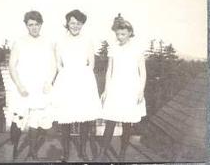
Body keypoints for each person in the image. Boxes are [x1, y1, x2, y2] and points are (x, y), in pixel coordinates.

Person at [52, 9, 102, 161]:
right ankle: (66, 152)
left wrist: (82, 76)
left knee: (84, 117)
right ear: (67, 23)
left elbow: (91, 63)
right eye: (72, 23)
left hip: (84, 80)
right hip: (66, 80)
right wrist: (66, 75)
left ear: (82, 24)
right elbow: (58, 63)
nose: (75, 26)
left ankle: (82, 150)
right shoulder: (60, 40)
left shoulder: (87, 40)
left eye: (78, 23)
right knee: (66, 117)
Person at [8, 10, 56, 160]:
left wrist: (49, 81)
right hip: (24, 86)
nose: (34, 27)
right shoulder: (19, 42)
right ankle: (13, 150)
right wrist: (19, 85)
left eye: (36, 24)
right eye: (30, 25)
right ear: (26, 26)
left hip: (40, 86)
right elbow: (12, 66)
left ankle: (33, 151)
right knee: (19, 119)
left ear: (41, 24)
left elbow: (53, 65)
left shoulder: (48, 42)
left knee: (35, 120)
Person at [99, 13, 147, 161]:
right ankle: (102, 154)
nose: (120, 36)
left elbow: (143, 71)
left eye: (123, 34)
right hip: (115, 88)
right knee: (111, 120)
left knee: (127, 122)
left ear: (130, 33)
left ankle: (122, 153)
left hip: (131, 88)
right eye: (118, 34)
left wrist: (141, 91)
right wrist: (106, 90)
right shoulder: (113, 48)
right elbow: (109, 70)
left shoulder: (137, 49)